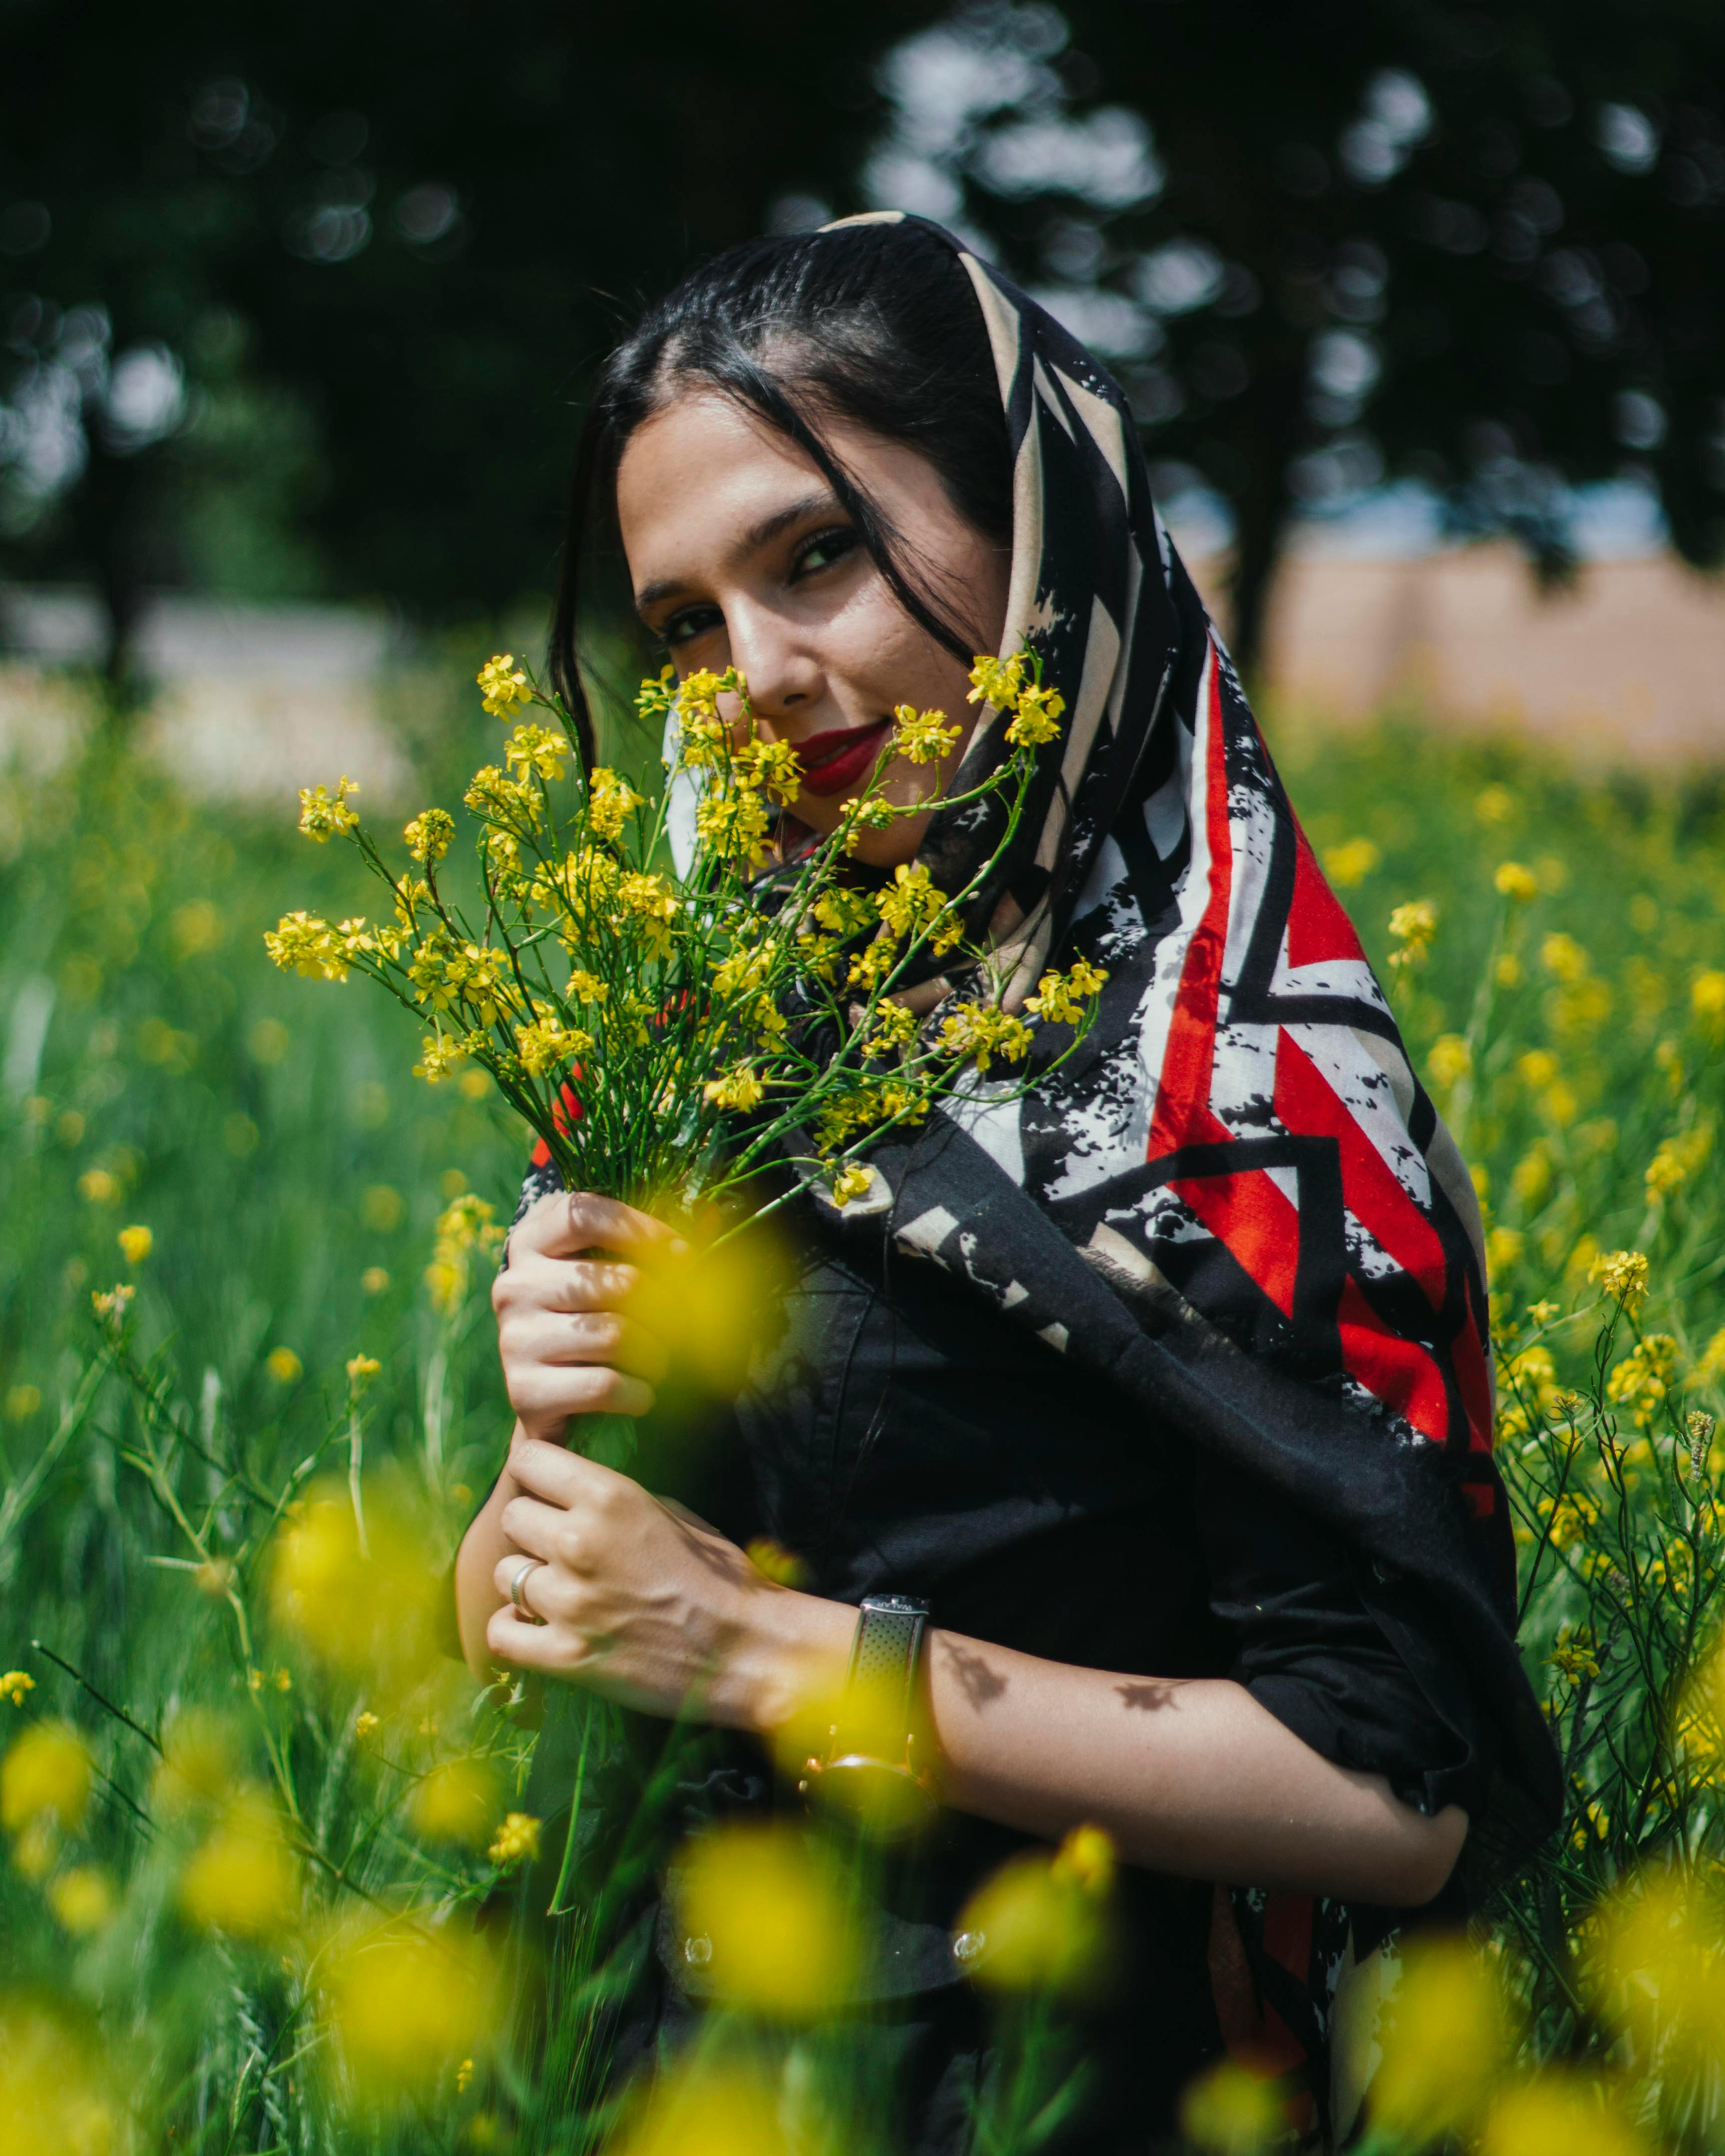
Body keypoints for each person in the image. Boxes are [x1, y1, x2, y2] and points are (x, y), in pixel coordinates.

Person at [452, 212, 1559, 2149]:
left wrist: (767, 1656)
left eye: (817, 555)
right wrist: (544, 1447)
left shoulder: (1252, 1079)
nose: (760, 679)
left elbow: (1398, 1801)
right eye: (687, 626)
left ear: (1040, 527)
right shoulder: (701, 1040)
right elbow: (536, 1612)